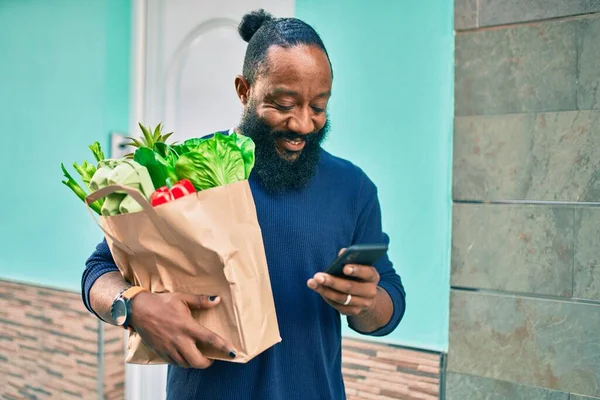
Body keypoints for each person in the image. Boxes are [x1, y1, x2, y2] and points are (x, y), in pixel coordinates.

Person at [82, 9, 406, 400]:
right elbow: (99, 271)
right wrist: (133, 307)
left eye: (318, 107)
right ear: (244, 90)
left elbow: (389, 302)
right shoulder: (188, 169)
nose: (303, 123)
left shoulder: (353, 188)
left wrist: (365, 302)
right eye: (284, 104)